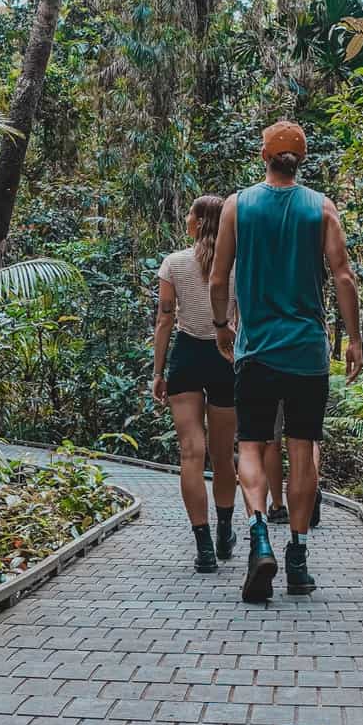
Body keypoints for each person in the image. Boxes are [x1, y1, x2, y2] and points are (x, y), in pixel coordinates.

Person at [209, 119, 361, 603]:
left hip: (256, 351)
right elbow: (343, 277)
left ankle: (259, 535)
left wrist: (222, 326)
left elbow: (218, 278)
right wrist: (354, 340)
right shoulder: (322, 207)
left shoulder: (238, 206)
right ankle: (297, 557)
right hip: (307, 352)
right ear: (302, 159)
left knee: (252, 446)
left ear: (264, 156)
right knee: (302, 448)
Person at [150, 194, 239, 572]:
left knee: (190, 453)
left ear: (199, 222)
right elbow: (242, 316)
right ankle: (224, 532)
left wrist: (158, 372)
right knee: (222, 455)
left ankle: (203, 547)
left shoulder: (174, 263)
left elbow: (165, 319)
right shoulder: (237, 264)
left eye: (190, 213)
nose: (186, 218)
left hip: (186, 357)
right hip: (225, 357)